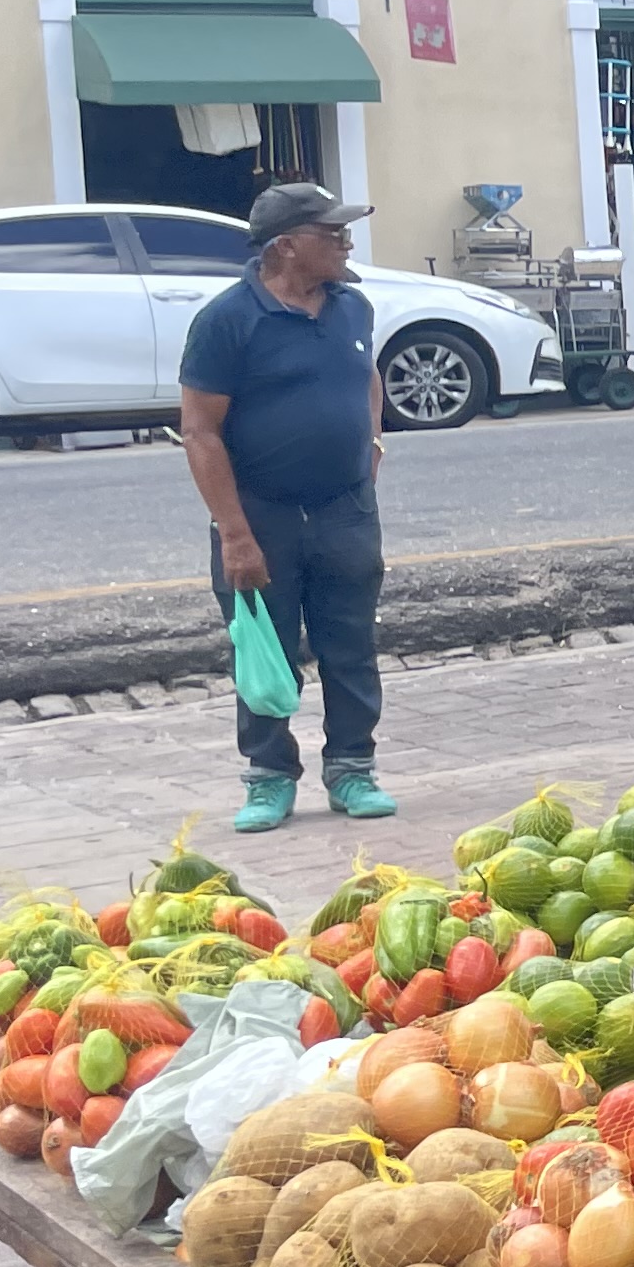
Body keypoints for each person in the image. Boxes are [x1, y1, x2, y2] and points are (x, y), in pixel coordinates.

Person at [179, 183, 397, 831]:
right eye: (330, 233)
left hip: (345, 507)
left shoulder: (352, 307)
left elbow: (366, 376)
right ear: (286, 247)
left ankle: (353, 769)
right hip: (261, 512)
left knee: (351, 644)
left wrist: (372, 441)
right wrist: (235, 534)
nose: (345, 242)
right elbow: (200, 430)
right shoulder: (228, 320)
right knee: (263, 649)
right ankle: (269, 777)